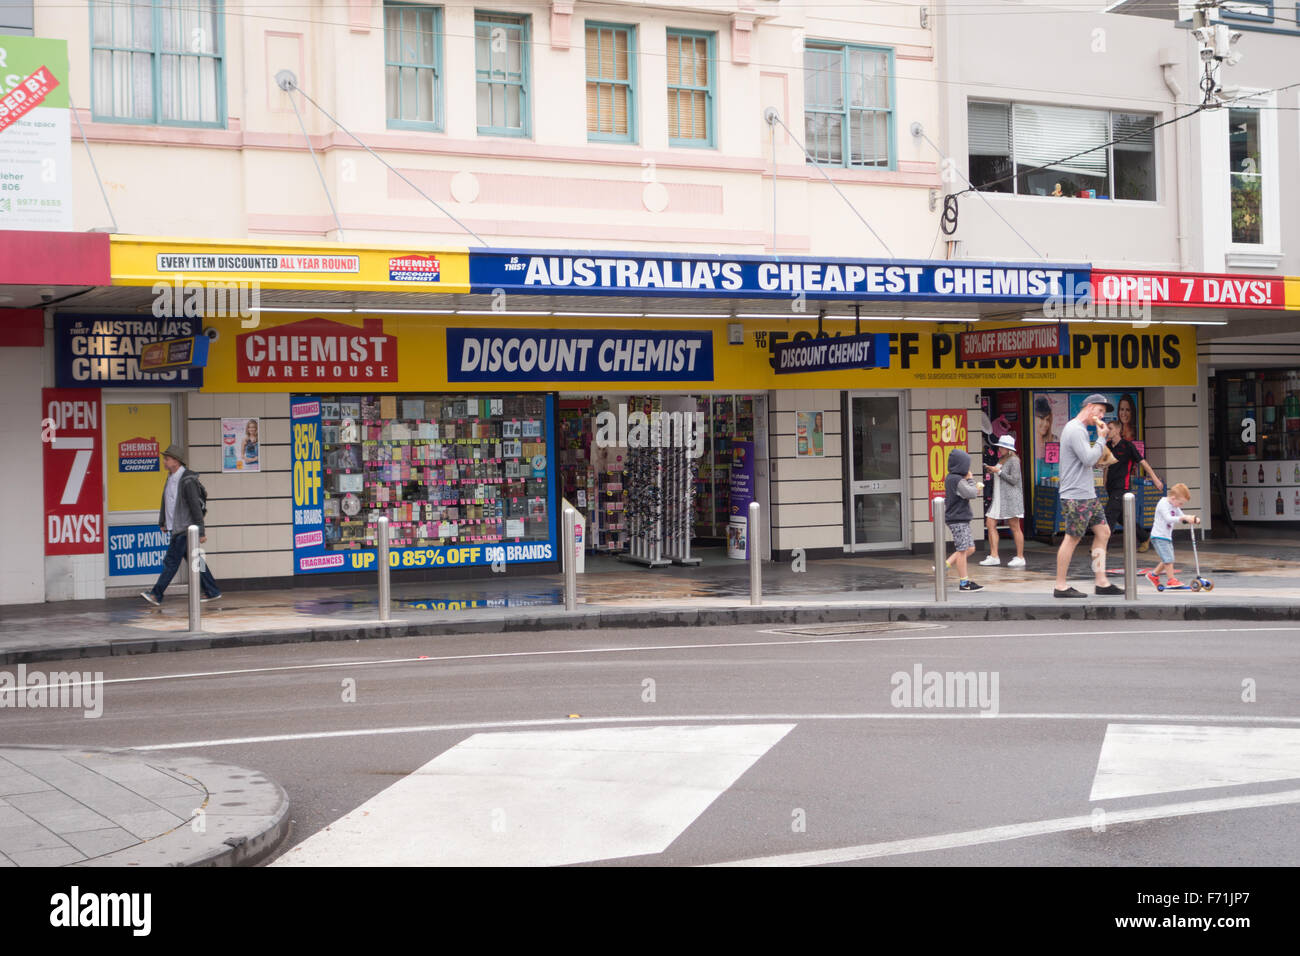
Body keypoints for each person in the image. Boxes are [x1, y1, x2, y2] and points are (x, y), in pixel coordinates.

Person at [1054, 394, 1123, 598]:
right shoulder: (1075, 429)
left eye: (1103, 412)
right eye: (1100, 411)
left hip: (1086, 493)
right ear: (1090, 407)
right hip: (1076, 494)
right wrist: (1102, 439)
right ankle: (1060, 586)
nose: (1102, 416)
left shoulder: (1080, 430)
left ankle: (1101, 581)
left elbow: (1087, 459)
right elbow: (1087, 458)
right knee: (1072, 538)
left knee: (1104, 533)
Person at [141, 444, 221, 606]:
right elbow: (166, 501)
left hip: (185, 528)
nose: (164, 461)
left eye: (167, 459)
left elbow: (195, 507)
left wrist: (201, 531)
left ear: (176, 461)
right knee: (197, 561)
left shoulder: (187, 481)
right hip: (176, 527)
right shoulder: (171, 477)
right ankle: (212, 590)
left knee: (171, 562)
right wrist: (163, 520)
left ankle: (157, 594)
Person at [1104, 419, 1163, 552]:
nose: (1108, 431)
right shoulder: (1108, 446)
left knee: (1109, 515)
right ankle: (1144, 537)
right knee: (1123, 518)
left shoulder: (1128, 446)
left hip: (1122, 488)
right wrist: (1104, 480)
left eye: (1111, 428)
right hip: (1111, 487)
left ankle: (1102, 546)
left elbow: (1143, 462)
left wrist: (1155, 479)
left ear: (1118, 430)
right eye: (1107, 428)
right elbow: (1106, 465)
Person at [980, 435, 1025, 568]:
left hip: (1010, 498)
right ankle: (994, 556)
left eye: (1002, 446)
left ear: (1008, 448)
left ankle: (1020, 557)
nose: (999, 448)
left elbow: (1014, 479)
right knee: (990, 523)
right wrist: (993, 470)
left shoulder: (1014, 460)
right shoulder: (1003, 458)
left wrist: (998, 472)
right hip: (999, 497)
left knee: (1014, 526)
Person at [943, 448, 984, 592]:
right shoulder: (956, 479)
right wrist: (971, 480)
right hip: (958, 518)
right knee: (962, 550)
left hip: (959, 518)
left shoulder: (951, 478)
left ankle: (944, 567)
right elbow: (971, 493)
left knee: (970, 548)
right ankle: (964, 583)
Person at [1147, 483, 1200, 589]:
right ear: (1173, 498)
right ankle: (1171, 580)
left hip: (1166, 537)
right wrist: (1182, 519)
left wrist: (1192, 518)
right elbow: (1168, 518)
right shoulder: (1163, 504)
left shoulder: (1174, 505)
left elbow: (1182, 515)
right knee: (1168, 559)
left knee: (1168, 558)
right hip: (1158, 536)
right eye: (1180, 503)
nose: (1180, 506)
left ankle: (1153, 575)